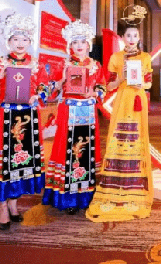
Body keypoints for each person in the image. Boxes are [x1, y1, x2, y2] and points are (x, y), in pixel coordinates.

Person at [0, 13, 49, 230]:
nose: (20, 43)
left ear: (30, 41)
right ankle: (3, 207)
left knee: (21, 162)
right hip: (6, 116)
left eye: (24, 39)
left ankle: (14, 204)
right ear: (9, 41)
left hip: (27, 118)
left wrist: (37, 96)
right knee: (4, 163)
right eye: (16, 39)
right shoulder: (0, 62)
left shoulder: (36, 64)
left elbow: (45, 87)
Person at [86, 5, 153, 222]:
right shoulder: (116, 57)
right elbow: (109, 84)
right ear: (123, 38)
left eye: (135, 35)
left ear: (139, 37)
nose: (132, 39)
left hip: (138, 99)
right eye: (128, 35)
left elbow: (149, 84)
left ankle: (135, 182)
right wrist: (122, 77)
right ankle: (115, 180)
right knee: (118, 136)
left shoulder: (145, 57)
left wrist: (140, 82)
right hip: (122, 98)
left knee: (137, 137)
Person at [42, 19, 106, 214]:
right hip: (68, 111)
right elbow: (51, 89)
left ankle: (85, 193)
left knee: (85, 150)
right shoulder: (64, 64)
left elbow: (102, 87)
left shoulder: (96, 65)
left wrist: (94, 93)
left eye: (82, 42)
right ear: (70, 44)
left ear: (88, 44)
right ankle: (68, 196)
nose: (79, 46)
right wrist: (60, 80)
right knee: (67, 150)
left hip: (88, 111)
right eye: (75, 42)